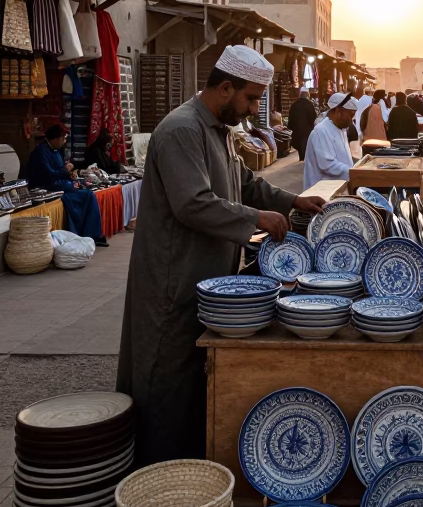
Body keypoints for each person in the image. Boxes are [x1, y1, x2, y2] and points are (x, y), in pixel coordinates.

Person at [116, 46, 325, 464]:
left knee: (195, 386)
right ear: (225, 87)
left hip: (205, 279)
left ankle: (191, 469)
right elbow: (193, 203)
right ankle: (156, 482)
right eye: (249, 99)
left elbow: (245, 183)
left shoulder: (219, 129)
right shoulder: (181, 130)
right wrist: (257, 219)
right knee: (165, 385)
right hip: (171, 283)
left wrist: (291, 202)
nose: (252, 109)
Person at [26, 124, 108, 245]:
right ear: (55, 138)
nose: (64, 142)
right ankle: (88, 235)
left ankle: (91, 235)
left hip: (59, 185)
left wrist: (71, 175)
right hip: (48, 188)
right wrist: (65, 170)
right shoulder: (40, 152)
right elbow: (48, 176)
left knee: (87, 193)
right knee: (87, 195)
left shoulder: (56, 151)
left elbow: (60, 172)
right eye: (63, 138)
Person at [304, 91, 360, 188]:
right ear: (338, 112)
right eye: (351, 115)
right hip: (321, 191)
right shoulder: (321, 131)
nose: (352, 120)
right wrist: (354, 173)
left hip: (337, 187)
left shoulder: (341, 129)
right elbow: (327, 164)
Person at [287, 88, 318, 162]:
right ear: (307, 95)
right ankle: (304, 159)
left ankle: (302, 158)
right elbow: (313, 117)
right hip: (307, 131)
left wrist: (290, 128)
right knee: (306, 146)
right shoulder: (309, 104)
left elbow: (290, 118)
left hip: (296, 130)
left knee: (300, 146)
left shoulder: (294, 104)